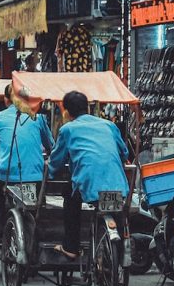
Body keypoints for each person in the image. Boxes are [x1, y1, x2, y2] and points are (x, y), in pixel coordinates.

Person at [48, 91, 129, 259]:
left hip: (88, 185)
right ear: (88, 108)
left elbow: (56, 161)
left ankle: (71, 246)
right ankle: (121, 255)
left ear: (67, 112)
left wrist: (51, 173)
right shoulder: (109, 126)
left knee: (69, 197)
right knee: (117, 213)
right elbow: (124, 152)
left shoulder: (67, 129)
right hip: (117, 185)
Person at [0, 85, 53, 233]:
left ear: (6, 100)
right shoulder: (39, 118)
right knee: (39, 199)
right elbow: (50, 146)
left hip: (7, 174)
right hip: (35, 174)